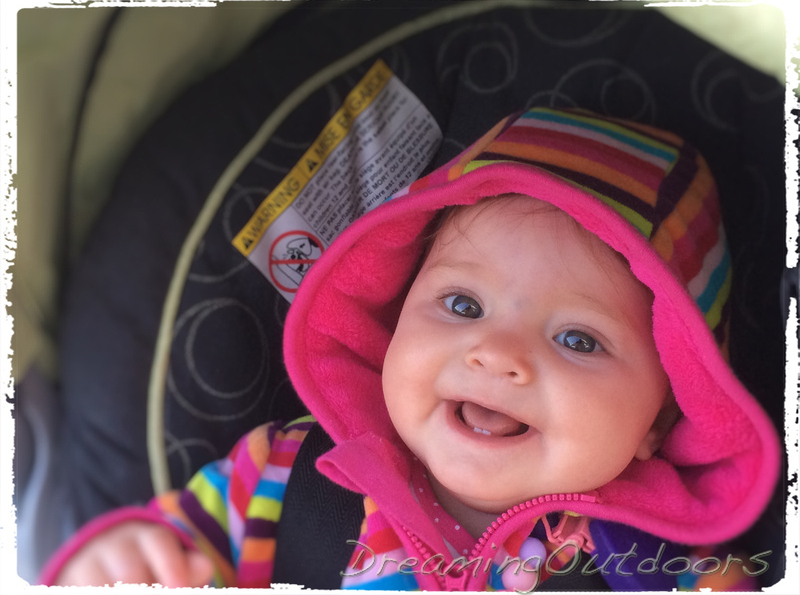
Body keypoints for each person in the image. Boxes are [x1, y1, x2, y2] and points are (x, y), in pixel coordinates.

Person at [41, 107, 781, 591]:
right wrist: (124, 560)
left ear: (663, 417)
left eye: (578, 339)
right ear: (395, 320)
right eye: (462, 305)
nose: (496, 353)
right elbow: (170, 553)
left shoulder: (659, 564)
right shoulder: (285, 477)